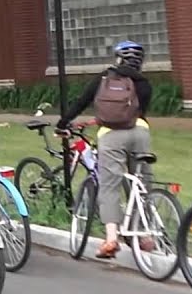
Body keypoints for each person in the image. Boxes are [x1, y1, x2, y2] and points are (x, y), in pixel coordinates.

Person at [57, 40, 154, 258]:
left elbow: (81, 102)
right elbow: (140, 110)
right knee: (141, 182)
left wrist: (63, 123)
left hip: (110, 135)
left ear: (118, 58)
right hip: (140, 132)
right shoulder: (144, 83)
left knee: (109, 185)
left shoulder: (103, 79)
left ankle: (111, 238)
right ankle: (144, 235)